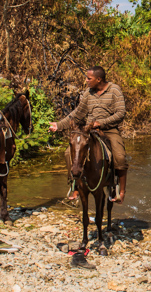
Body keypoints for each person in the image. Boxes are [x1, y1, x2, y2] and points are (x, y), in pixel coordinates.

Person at [48, 66, 128, 203]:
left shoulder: (114, 90)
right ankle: (75, 185)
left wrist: (101, 123)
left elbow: (121, 113)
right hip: (89, 131)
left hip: (109, 130)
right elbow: (78, 114)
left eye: (88, 78)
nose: (86, 81)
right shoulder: (87, 93)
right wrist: (59, 125)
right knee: (69, 153)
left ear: (99, 79)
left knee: (120, 157)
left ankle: (121, 191)